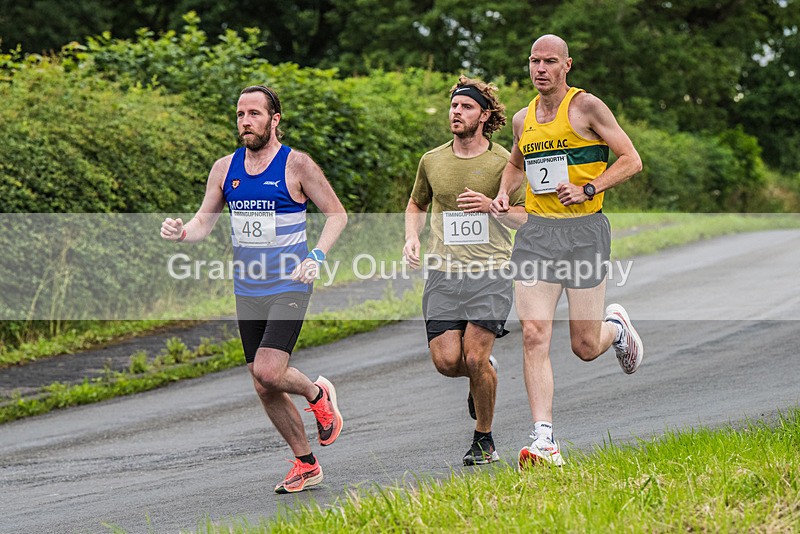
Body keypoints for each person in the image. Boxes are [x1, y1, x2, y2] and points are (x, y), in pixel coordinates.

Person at [161, 85, 348, 493]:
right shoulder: (224, 168)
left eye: (254, 114)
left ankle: (316, 393)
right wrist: (181, 232)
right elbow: (203, 222)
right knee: (262, 384)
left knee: (268, 370)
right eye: (240, 114)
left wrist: (316, 256)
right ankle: (306, 464)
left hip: (290, 283)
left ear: (274, 120)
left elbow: (337, 214)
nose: (245, 122)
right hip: (248, 289)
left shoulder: (296, 165)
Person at [490, 34, 644, 469]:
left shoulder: (587, 107)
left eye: (550, 61)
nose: (540, 68)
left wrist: (588, 188)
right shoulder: (522, 119)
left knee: (585, 345)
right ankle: (544, 439)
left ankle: (615, 328)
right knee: (534, 333)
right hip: (537, 234)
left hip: (584, 232)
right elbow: (516, 164)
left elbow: (631, 159)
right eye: (534, 61)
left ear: (567, 65)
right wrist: (503, 193)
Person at [403, 75, 527, 466]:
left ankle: (484, 439)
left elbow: (525, 217)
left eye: (467, 106)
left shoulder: (503, 163)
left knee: (473, 358)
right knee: (446, 362)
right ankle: (484, 373)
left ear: (485, 115)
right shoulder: (432, 160)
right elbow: (416, 204)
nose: (457, 112)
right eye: (454, 105)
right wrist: (412, 237)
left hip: (491, 272)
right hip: (443, 273)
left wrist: (493, 206)